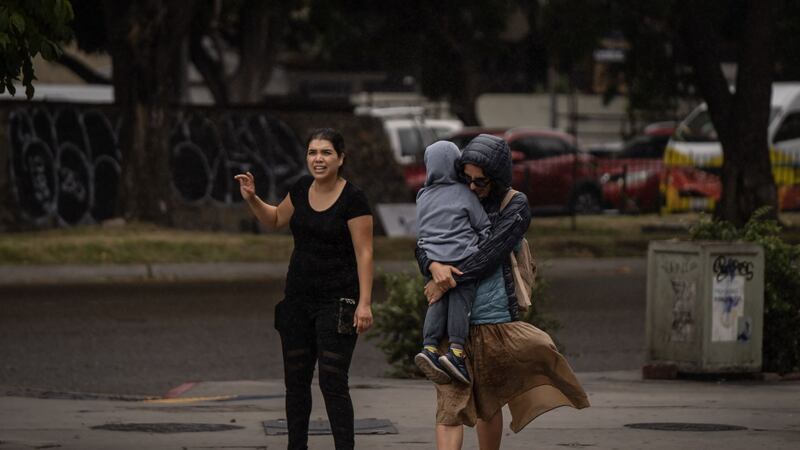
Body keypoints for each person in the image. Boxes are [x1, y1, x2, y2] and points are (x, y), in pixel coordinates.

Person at [415, 134, 590, 450]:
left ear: (496, 178)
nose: (470, 187)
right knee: (450, 408)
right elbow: (424, 243)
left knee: (488, 404)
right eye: (464, 178)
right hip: (452, 323)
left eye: (478, 182)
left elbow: (490, 253)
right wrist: (432, 267)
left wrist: (444, 279)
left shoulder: (515, 205)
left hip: (494, 321)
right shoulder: (449, 196)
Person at [235, 128, 374, 450]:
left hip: (338, 301)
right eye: (312, 152)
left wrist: (364, 304)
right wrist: (253, 198)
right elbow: (274, 220)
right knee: (295, 383)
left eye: (326, 153)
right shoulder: (299, 189)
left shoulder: (354, 199)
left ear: (341, 158)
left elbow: (365, 253)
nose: (318, 159)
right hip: (297, 300)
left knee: (332, 381)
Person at [414, 140, 491, 385]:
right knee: (460, 302)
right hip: (462, 260)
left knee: (436, 302)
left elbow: (421, 231)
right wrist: (481, 240)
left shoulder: (422, 195)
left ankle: (429, 347)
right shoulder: (464, 193)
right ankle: (456, 351)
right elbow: (482, 225)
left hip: (434, 261)